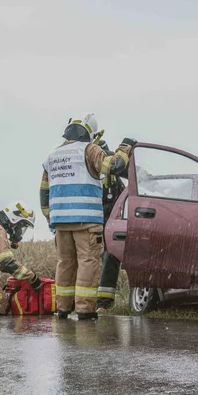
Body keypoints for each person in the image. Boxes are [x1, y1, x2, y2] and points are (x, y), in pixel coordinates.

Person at [39, 114, 132, 319]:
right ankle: (85, 310)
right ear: (89, 132)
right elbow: (113, 166)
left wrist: (50, 219)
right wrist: (125, 147)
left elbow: (44, 193)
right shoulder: (89, 149)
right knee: (88, 262)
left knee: (65, 263)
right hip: (86, 220)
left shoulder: (52, 155)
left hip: (60, 222)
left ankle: (62, 308)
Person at [93, 133, 129, 310]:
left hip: (106, 218)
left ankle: (102, 303)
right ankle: (98, 303)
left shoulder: (110, 164)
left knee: (108, 257)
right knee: (94, 258)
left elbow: (135, 174)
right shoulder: (99, 161)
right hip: (97, 217)